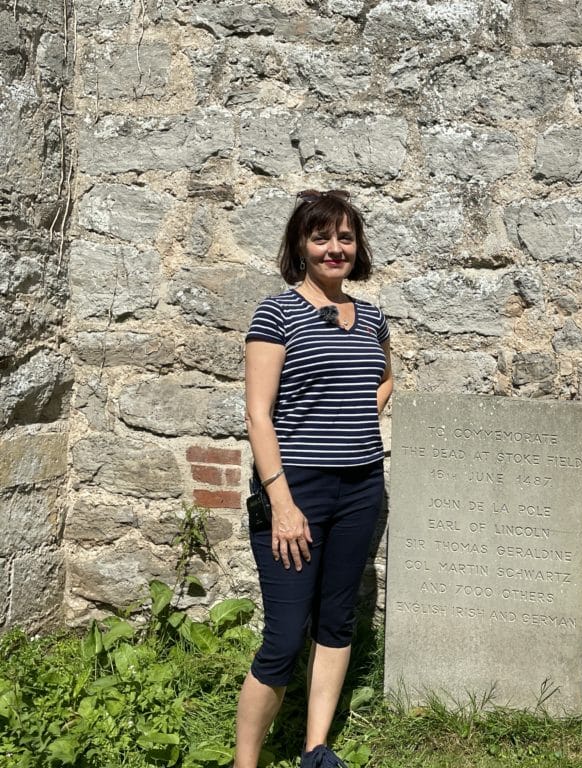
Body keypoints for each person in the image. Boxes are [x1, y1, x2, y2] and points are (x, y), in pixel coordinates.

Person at [234, 189, 393, 768]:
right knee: (282, 638)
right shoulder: (276, 313)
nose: (335, 248)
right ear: (300, 245)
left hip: (361, 487)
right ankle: (244, 763)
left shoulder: (371, 315)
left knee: (336, 617)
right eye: (321, 237)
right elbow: (257, 412)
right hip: (295, 488)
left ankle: (315, 749)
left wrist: (353, 417)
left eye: (345, 238)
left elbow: (383, 379)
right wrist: (281, 500)